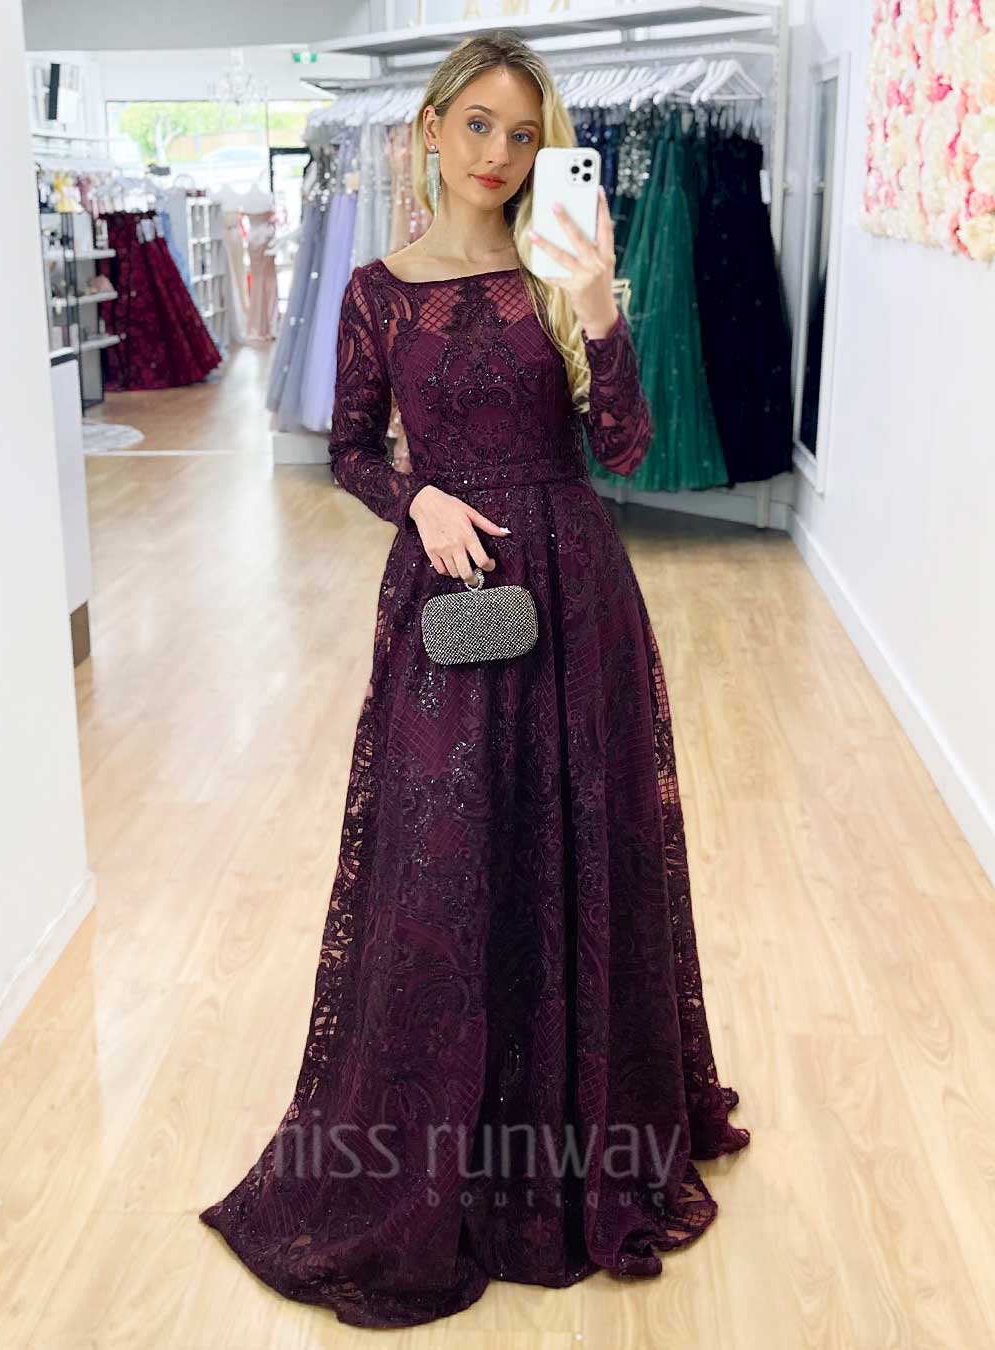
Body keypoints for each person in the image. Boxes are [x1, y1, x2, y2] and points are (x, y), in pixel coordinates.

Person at [199, 30, 750, 1330]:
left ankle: (577, 1135)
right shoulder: (377, 291)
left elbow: (625, 444)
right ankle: (431, 1140)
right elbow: (348, 450)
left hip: (577, 590)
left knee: (577, 843)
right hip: (447, 592)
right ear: (433, 130)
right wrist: (418, 496)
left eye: (522, 134)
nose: (498, 154)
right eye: (479, 126)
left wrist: (603, 306)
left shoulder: (561, 272)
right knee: (441, 856)